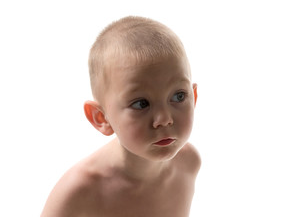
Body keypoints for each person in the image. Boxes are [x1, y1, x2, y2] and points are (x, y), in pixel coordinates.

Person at [41, 16, 201, 217]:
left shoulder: (189, 162)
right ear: (101, 118)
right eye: (141, 104)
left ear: (193, 98)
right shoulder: (78, 192)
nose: (164, 119)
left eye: (179, 96)